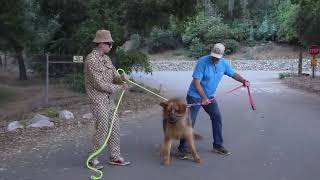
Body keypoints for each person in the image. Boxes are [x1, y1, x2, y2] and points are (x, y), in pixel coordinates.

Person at [178, 43, 249, 157]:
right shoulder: (202, 62)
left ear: (221, 55)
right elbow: (196, 83)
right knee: (190, 121)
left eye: (217, 57)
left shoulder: (224, 63)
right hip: (195, 95)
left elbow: (232, 73)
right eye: (213, 56)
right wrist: (203, 98)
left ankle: (217, 145)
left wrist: (243, 80)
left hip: (209, 96)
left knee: (217, 117)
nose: (215, 59)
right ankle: (183, 147)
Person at [84, 29, 130, 169]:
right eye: (109, 43)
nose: (111, 46)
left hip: (109, 99)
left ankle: (115, 157)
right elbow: (100, 84)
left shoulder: (107, 59)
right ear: (101, 43)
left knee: (114, 127)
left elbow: (114, 77)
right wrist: (120, 88)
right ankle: (92, 158)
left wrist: (122, 78)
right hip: (98, 100)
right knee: (102, 129)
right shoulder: (91, 60)